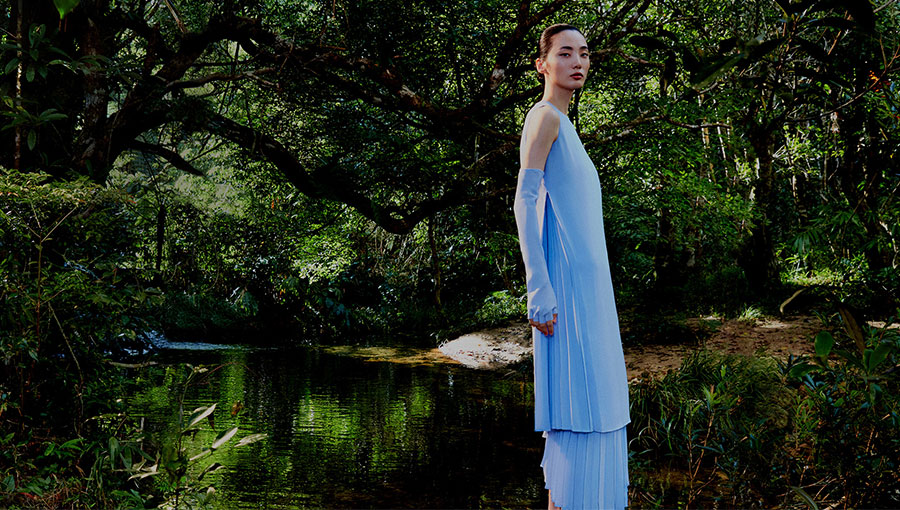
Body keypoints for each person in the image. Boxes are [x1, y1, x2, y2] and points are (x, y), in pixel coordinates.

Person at [514, 24, 630, 509]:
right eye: (565, 53)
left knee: (600, 407)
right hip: (566, 295)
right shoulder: (543, 118)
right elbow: (524, 201)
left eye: (584, 53)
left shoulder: (566, 124)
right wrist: (538, 288)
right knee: (578, 413)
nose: (578, 61)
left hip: (593, 292)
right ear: (542, 64)